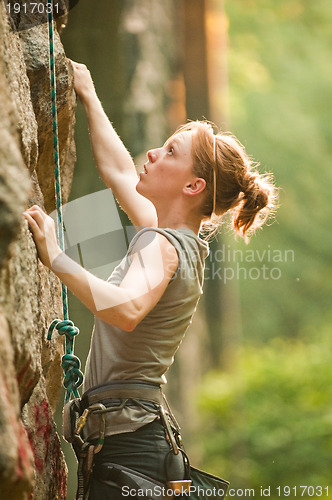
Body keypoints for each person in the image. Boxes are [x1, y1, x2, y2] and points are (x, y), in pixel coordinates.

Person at [23, 61, 277, 499]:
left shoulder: (162, 246)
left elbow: (126, 309)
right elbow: (120, 171)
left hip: (131, 447)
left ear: (193, 186)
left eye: (171, 152)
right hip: (134, 441)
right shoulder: (172, 236)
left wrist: (56, 257)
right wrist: (87, 92)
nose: (154, 155)